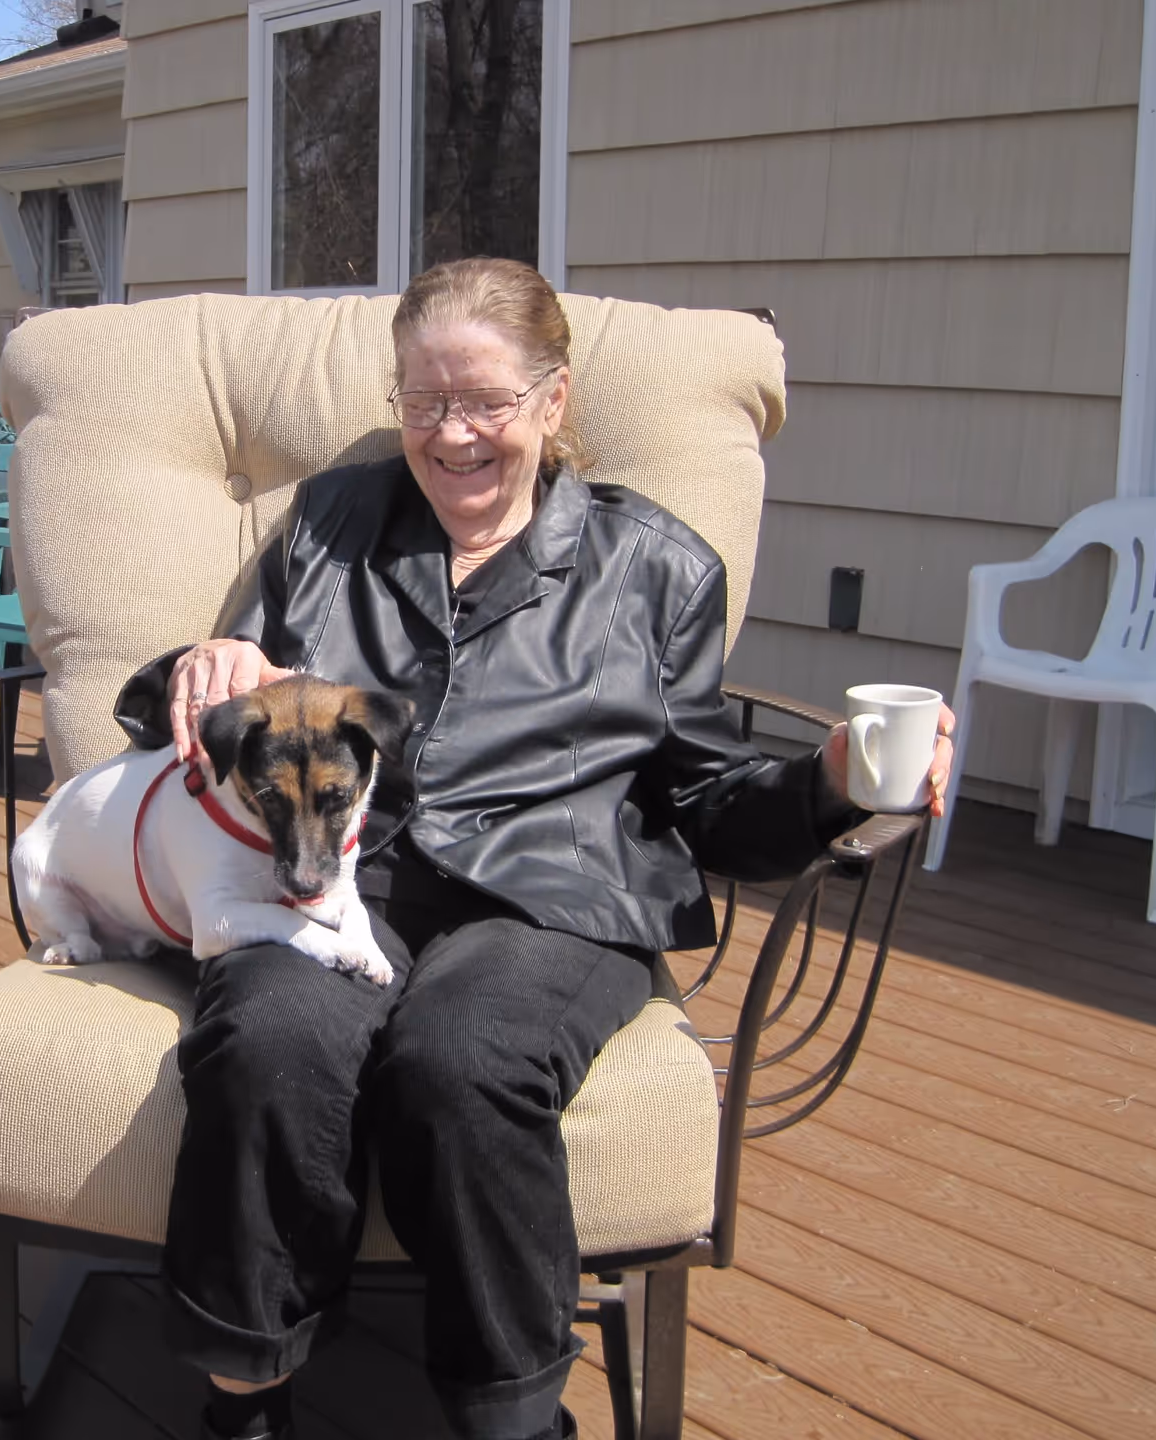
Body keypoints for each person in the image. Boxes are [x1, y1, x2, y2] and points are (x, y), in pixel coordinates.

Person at [113, 258, 954, 1440]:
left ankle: (511, 1418)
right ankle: (247, 1400)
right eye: (422, 401)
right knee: (268, 1035)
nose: (450, 433)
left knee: (463, 1056)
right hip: (339, 882)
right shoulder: (333, 523)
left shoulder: (655, 567)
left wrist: (828, 784)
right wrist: (198, 667)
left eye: (485, 402)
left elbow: (709, 800)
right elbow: (222, 717)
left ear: (554, 402)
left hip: (553, 901)